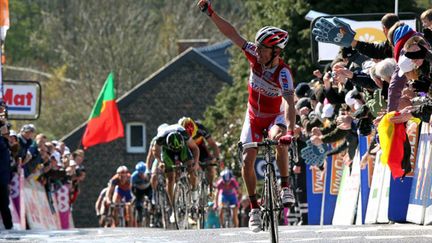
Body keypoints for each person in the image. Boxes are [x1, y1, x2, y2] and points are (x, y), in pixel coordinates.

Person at [198, 0, 296, 232]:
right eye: (258, 47)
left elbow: (290, 103)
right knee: (247, 159)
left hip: (274, 117)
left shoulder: (284, 73)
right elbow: (232, 33)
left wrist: (289, 131)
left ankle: (285, 186)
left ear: (276, 51)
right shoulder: (254, 54)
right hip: (253, 115)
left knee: (279, 140)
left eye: (263, 48)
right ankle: (254, 208)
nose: (258, 50)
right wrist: (211, 13)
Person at [152, 124, 200, 209]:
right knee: (170, 179)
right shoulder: (160, 138)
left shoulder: (184, 133)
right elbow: (155, 152)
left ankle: (194, 193)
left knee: (192, 170)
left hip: (183, 149)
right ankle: (173, 207)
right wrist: (160, 162)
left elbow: (195, 149)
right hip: (168, 152)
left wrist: (195, 164)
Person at [178, 117, 221, 190]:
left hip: (201, 147)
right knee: (190, 167)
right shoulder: (179, 131)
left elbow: (213, 144)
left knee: (209, 166)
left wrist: (216, 158)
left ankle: (210, 188)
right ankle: (192, 186)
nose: (192, 138)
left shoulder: (201, 128)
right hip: (187, 149)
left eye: (194, 136)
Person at [131, 161, 152, 227]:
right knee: (138, 204)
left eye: (143, 173)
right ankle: (139, 218)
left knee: (151, 197)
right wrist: (134, 196)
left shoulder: (149, 175)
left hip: (147, 188)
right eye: (139, 173)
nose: (141, 175)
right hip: (138, 189)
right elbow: (131, 187)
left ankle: (152, 209)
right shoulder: (134, 177)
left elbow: (153, 185)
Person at [0, 121, 12, 229]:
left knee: (4, 205)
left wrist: (9, 180)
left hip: (3, 179)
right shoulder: (2, 142)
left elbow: (8, 163)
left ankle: (9, 227)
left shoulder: (5, 143)